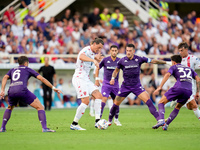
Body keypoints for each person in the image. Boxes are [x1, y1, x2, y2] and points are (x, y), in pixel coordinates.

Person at [107, 44, 170, 125]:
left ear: (133, 51)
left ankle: (159, 120)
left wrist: (166, 62)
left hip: (136, 86)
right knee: (115, 103)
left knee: (148, 101)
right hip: (125, 87)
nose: (128, 52)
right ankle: (109, 121)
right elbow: (115, 71)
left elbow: (153, 61)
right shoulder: (122, 61)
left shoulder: (139, 58)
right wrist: (112, 78)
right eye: (127, 51)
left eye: (130, 51)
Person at [0, 56, 62, 132]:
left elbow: (5, 77)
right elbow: (42, 78)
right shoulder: (28, 69)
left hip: (11, 90)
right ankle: (45, 128)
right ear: (26, 63)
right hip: (22, 90)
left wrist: (2, 90)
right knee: (40, 107)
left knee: (9, 108)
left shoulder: (13, 69)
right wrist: (53, 87)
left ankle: (2, 128)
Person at [152, 55, 200, 130]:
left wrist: (160, 87)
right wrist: (197, 91)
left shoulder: (173, 67)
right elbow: (198, 79)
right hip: (189, 90)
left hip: (178, 87)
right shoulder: (189, 69)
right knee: (177, 107)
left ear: (173, 62)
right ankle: (166, 125)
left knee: (161, 102)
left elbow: (167, 74)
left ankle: (161, 120)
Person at [70, 38, 104, 130]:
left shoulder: (93, 54)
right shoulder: (86, 49)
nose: (99, 50)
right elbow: (81, 56)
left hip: (86, 79)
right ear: (94, 44)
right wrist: (93, 60)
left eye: (101, 48)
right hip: (79, 78)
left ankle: (97, 122)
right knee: (86, 101)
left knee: (98, 96)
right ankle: (74, 124)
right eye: (98, 47)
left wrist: (95, 58)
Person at [170, 42, 200, 121]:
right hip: (182, 85)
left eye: (181, 50)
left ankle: (177, 100)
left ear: (186, 49)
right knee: (194, 105)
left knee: (190, 107)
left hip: (191, 85)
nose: (180, 52)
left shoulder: (194, 58)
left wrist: (197, 90)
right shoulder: (178, 60)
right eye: (179, 51)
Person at [95, 45, 121, 126]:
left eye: (115, 50)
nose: (114, 52)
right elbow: (98, 68)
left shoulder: (120, 61)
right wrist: (97, 79)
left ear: (117, 51)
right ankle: (98, 120)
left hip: (116, 85)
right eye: (112, 50)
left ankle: (115, 119)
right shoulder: (105, 60)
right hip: (106, 84)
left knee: (116, 102)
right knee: (103, 101)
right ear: (110, 51)